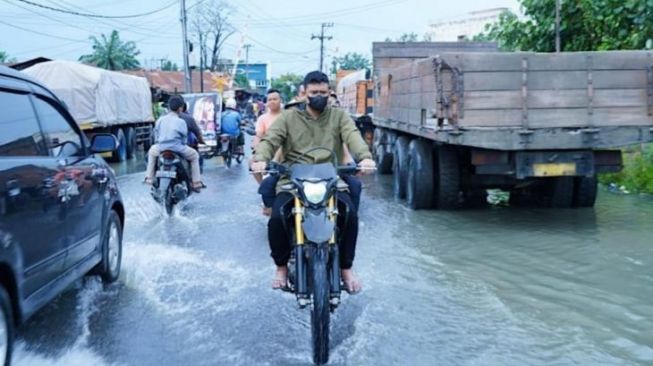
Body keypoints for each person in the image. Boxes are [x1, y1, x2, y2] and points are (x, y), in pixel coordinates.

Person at [251, 71, 376, 294]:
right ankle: (280, 267)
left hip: (331, 178)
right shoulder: (288, 118)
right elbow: (270, 141)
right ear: (304, 94)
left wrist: (364, 157)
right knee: (277, 217)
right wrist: (260, 159)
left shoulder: (339, 116)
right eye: (313, 92)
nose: (318, 96)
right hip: (293, 179)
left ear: (329, 93)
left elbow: (353, 137)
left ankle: (346, 268)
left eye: (322, 92)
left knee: (350, 215)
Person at [144, 95, 203, 192]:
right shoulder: (181, 121)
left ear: (169, 107)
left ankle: (149, 178)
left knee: (151, 152)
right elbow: (184, 140)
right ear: (180, 108)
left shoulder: (160, 119)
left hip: (161, 147)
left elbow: (156, 136)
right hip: (178, 148)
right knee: (195, 156)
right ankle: (196, 182)